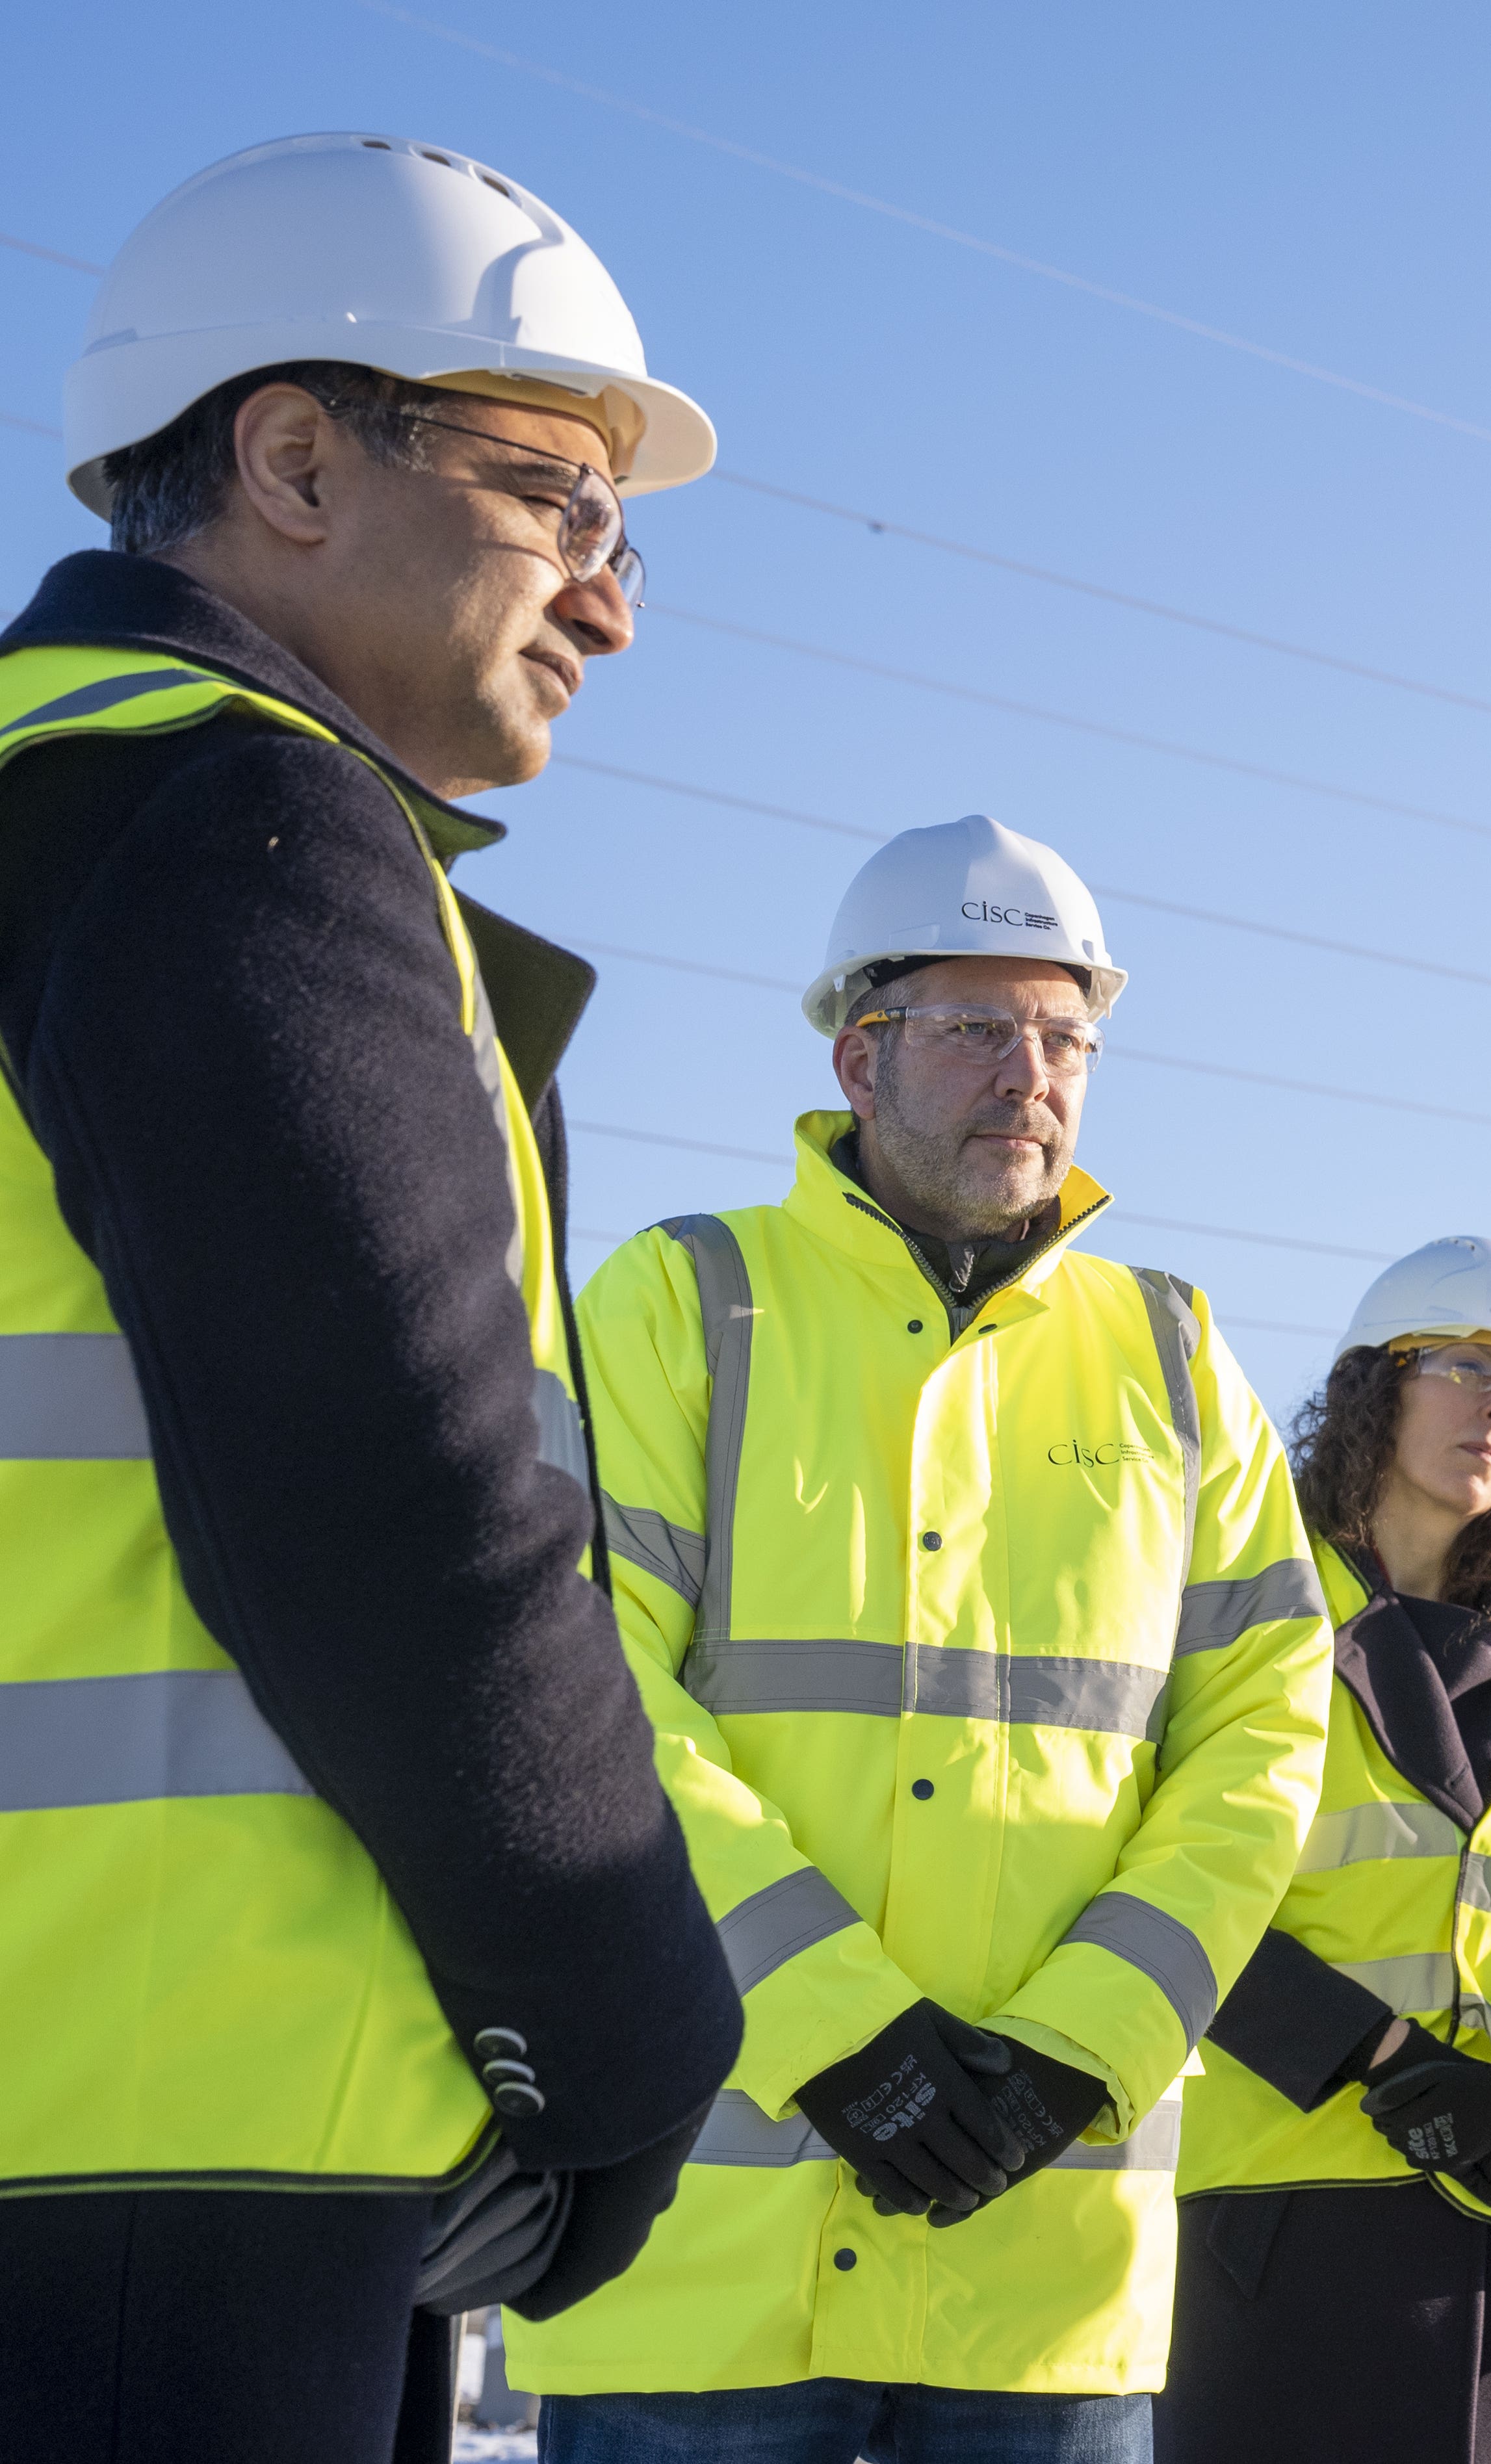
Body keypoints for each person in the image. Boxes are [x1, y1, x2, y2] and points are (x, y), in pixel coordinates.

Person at [0, 133, 743, 2462]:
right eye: (556, 496)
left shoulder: (54, 798)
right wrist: (619, 2044)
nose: (609, 598)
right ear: (296, 455)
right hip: (175, 2143)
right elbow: (399, 1497)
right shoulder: (239, 822)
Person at [513, 818, 1335, 2462]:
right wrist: (834, 2030)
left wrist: (1076, 2050)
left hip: (1041, 2286)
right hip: (704, 2276)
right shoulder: (686, 1299)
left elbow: (1266, 1734)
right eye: (976, 1027)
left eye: (1064, 1036)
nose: (1028, 1073)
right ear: (857, 1051)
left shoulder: (1172, 1353)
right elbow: (583, 1686)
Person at [1160, 1236, 1491, 2463]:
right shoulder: (1246, 1607)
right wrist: (1374, 2053)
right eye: (1467, 1364)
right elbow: (1157, 1882)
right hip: (1284, 2225)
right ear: (1377, 1384)